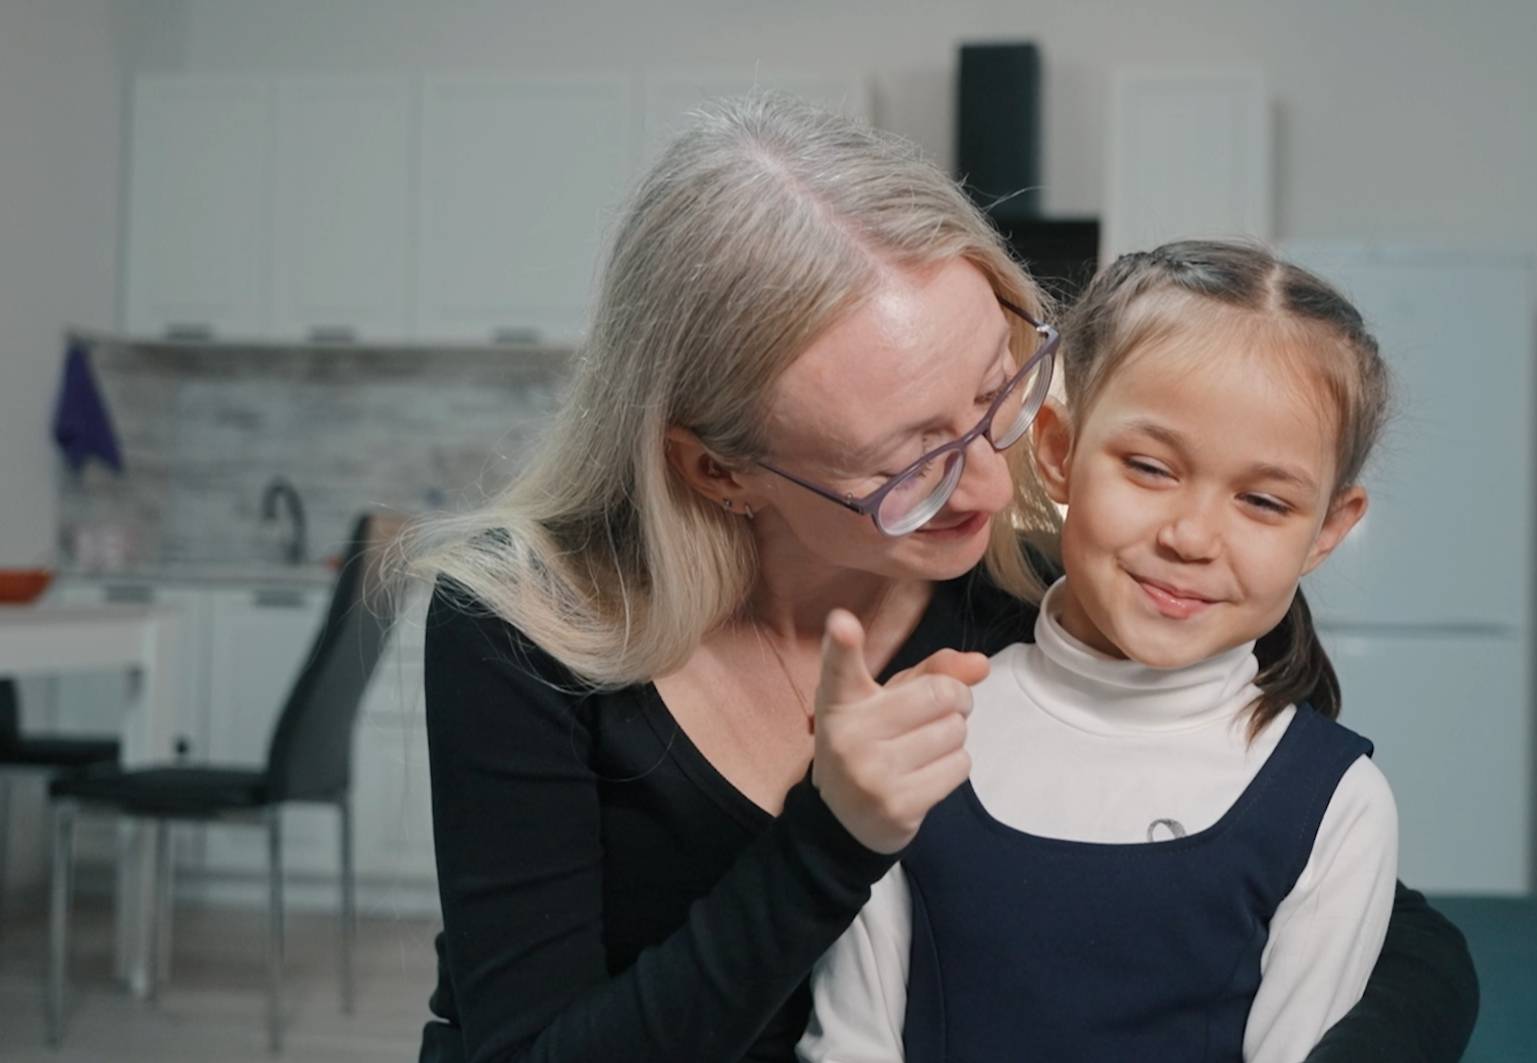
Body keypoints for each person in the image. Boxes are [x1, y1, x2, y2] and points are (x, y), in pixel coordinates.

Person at [410, 94, 1477, 1063]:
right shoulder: (524, 625)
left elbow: (1371, 917)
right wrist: (829, 841)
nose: (986, 478)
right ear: (719, 469)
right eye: (909, 459)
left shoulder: (1026, 583)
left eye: (993, 391)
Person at [802, 239, 1402, 1062]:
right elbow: (850, 1045)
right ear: (1057, 453)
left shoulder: (1340, 803)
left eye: (1262, 500)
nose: (1191, 536)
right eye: (1150, 467)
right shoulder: (922, 732)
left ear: (1328, 530)